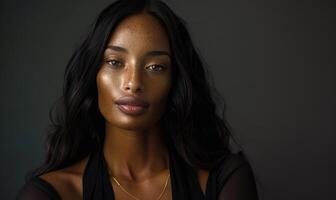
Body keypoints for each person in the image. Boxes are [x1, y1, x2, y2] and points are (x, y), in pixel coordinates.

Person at [17, 0, 259, 199]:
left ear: (176, 82)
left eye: (156, 66)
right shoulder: (52, 194)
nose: (133, 82)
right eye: (114, 62)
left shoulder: (223, 179)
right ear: (93, 75)